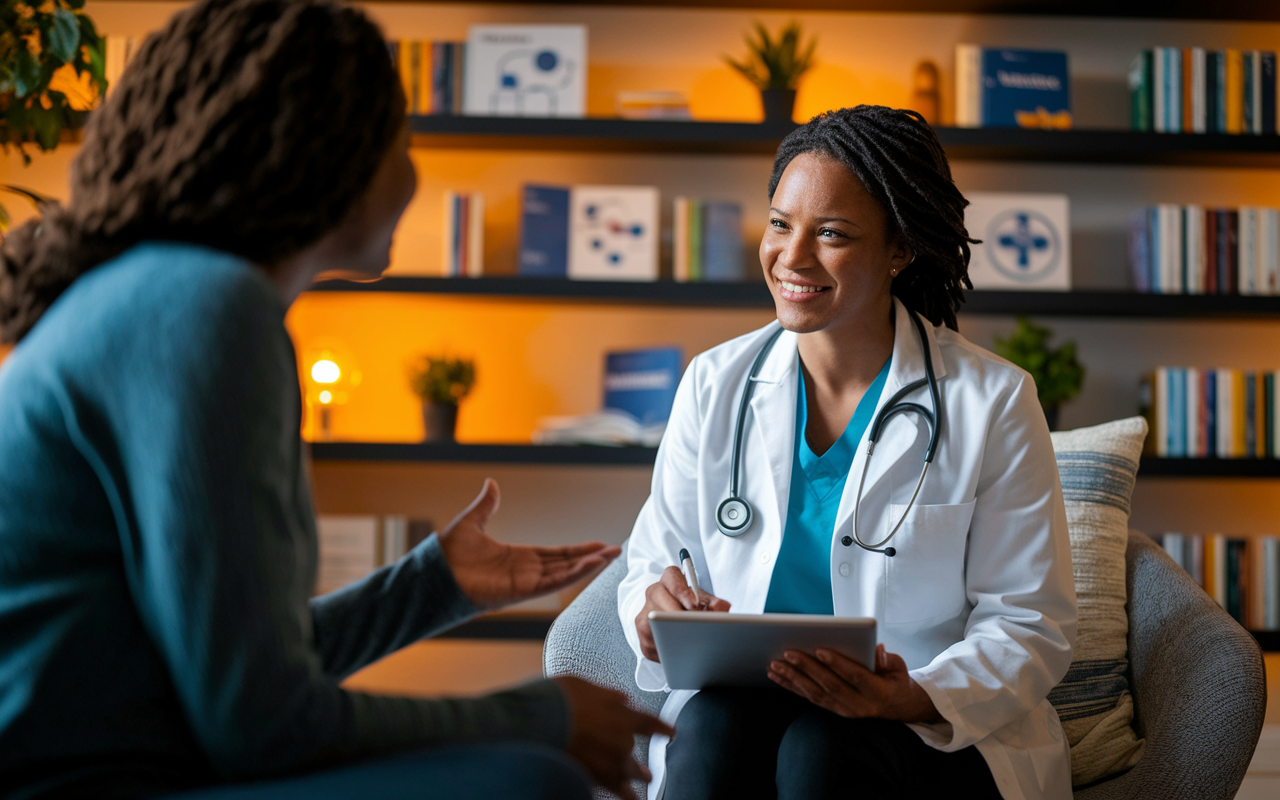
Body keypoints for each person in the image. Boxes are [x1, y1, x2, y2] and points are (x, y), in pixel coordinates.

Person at [0, 1, 669, 798]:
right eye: (404, 140)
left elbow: (239, 672)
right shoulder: (206, 311)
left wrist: (432, 585)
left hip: (110, 756)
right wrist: (538, 714)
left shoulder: (171, 295)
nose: (413, 176)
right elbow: (261, 725)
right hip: (74, 782)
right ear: (335, 147)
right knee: (530, 779)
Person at [618, 105, 1078, 800]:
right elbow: (654, 561)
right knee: (707, 733)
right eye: (780, 223)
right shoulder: (714, 384)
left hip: (933, 723)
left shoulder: (994, 401)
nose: (792, 257)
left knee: (822, 749)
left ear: (899, 249)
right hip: (752, 702)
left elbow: (1028, 626)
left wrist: (912, 696)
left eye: (831, 234)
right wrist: (652, 613)